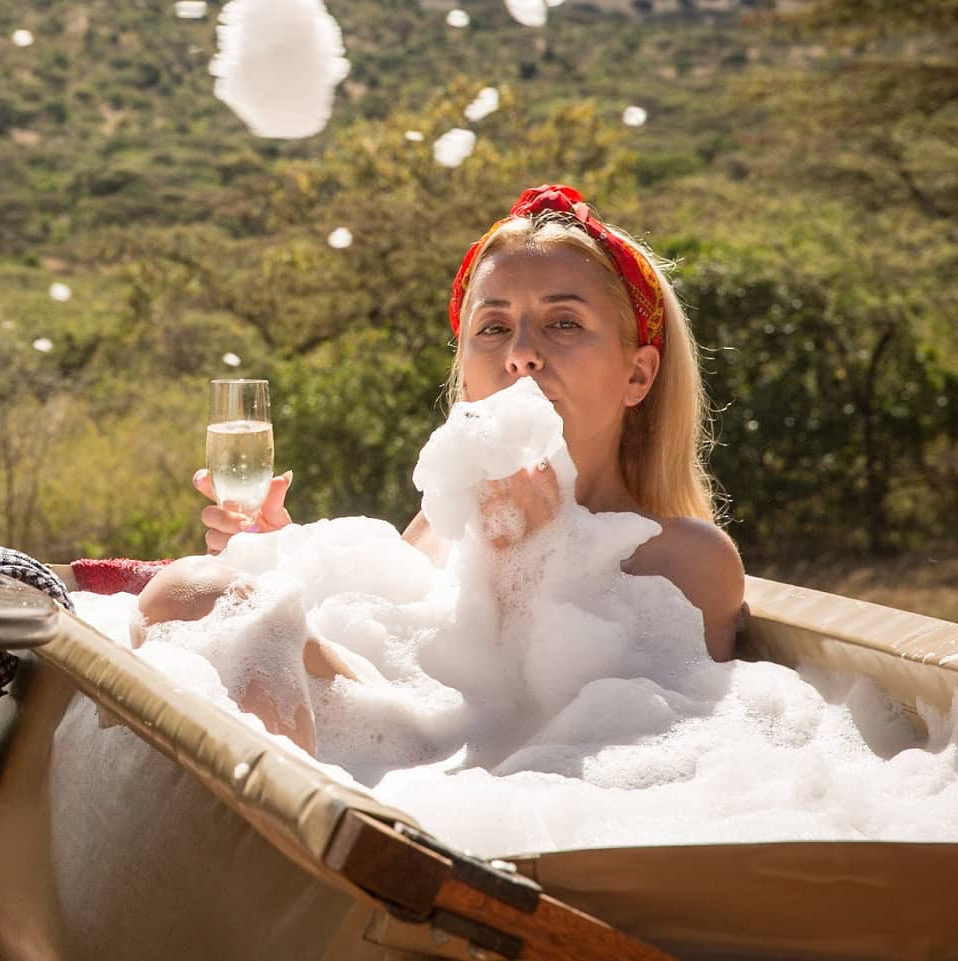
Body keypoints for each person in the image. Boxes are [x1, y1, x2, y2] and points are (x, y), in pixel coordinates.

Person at [135, 184, 746, 746]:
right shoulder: (437, 527)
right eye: (494, 326)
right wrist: (273, 556)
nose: (522, 355)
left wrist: (530, 569)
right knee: (198, 591)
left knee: (200, 595)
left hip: (475, 815)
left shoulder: (685, 561)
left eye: (564, 323)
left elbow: (610, 764)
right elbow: (380, 670)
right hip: (391, 770)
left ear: (637, 375)